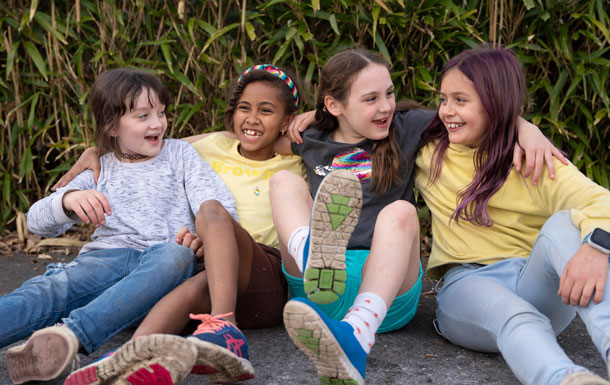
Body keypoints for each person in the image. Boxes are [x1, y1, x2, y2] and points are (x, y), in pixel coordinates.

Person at [271, 48, 567, 385]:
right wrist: (310, 116)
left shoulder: (406, 128)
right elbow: (252, 140)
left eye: (389, 93)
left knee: (401, 211)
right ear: (334, 105)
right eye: (370, 99)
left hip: (385, 290)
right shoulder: (309, 138)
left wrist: (525, 128)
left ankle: (358, 330)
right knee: (283, 182)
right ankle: (313, 254)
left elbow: (482, 115)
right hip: (317, 294)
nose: (385, 106)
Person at [56, 64, 306, 384]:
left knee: (212, 209)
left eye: (266, 110)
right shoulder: (215, 144)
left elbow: (342, 127)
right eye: (244, 108)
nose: (253, 118)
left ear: (287, 121)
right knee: (193, 283)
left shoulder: (297, 155)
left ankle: (224, 325)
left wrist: (306, 121)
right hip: (214, 274)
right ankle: (133, 357)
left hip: (263, 275)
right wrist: (97, 151)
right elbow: (142, 146)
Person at [0, 68, 238, 385]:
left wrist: (201, 239)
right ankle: (50, 345)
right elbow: (36, 222)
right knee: (49, 290)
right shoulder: (100, 166)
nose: (157, 123)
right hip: (101, 262)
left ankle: (68, 337)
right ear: (112, 126)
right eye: (143, 115)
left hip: (160, 267)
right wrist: (69, 200)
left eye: (162, 113)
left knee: (175, 256)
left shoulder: (180, 155)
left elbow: (220, 207)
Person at [416, 46, 610, 385]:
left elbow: (600, 201)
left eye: (461, 100)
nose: (447, 110)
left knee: (565, 224)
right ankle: (566, 380)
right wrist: (316, 118)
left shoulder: (534, 159)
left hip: (537, 285)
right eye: (444, 98)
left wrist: (597, 248)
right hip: (467, 288)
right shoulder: (429, 149)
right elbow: (364, 119)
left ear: (496, 103)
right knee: (514, 313)